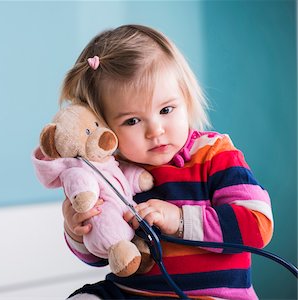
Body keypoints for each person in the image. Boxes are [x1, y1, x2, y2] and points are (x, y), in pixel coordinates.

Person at [59, 24, 273, 299]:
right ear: (104, 125)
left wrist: (180, 219)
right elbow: (100, 257)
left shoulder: (214, 154)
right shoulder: (110, 173)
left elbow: (257, 226)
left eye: (166, 110)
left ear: (185, 98)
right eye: (132, 121)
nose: (155, 130)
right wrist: (78, 231)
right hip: (130, 292)